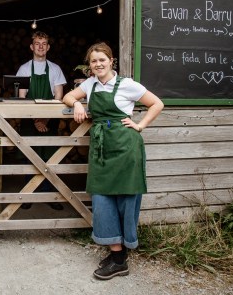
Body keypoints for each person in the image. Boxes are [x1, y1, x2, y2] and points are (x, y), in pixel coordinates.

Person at [62, 42, 164, 280]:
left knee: (127, 198)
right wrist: (77, 103)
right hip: (101, 148)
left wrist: (140, 125)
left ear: (111, 61)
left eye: (102, 60)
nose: (98, 64)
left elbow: (157, 103)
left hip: (126, 148)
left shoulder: (127, 85)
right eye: (93, 61)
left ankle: (120, 257)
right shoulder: (90, 84)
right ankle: (116, 254)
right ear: (90, 65)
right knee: (101, 198)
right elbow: (68, 95)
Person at [16, 31, 67, 210]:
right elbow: (22, 98)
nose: (40, 46)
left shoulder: (55, 69)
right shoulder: (23, 69)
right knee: (29, 156)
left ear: (48, 47)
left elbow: (59, 97)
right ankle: (28, 194)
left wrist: (44, 119)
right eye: (37, 43)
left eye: (44, 43)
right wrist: (36, 120)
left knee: (49, 157)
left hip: (51, 119)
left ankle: (50, 195)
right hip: (29, 120)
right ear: (32, 46)